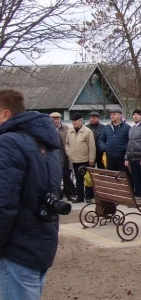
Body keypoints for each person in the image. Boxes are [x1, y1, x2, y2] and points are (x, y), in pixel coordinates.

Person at [0, 89, 63, 299]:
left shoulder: (8, 143)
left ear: (5, 114)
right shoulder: (46, 143)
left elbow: (3, 204)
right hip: (40, 241)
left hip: (16, 248)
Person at [65, 113, 96, 203]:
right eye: (72, 121)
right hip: (74, 159)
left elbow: (92, 147)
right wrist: (68, 152)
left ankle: (89, 196)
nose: (73, 122)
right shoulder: (70, 131)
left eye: (75, 121)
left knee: (87, 179)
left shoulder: (87, 131)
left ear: (80, 120)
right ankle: (80, 196)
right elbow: (66, 143)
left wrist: (91, 159)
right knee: (78, 179)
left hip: (85, 159)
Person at [50, 112, 76, 201]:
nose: (56, 121)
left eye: (57, 119)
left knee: (66, 176)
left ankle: (69, 193)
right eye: (54, 119)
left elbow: (69, 141)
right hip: (53, 156)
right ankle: (58, 194)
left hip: (64, 155)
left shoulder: (66, 128)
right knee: (56, 176)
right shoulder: (50, 129)